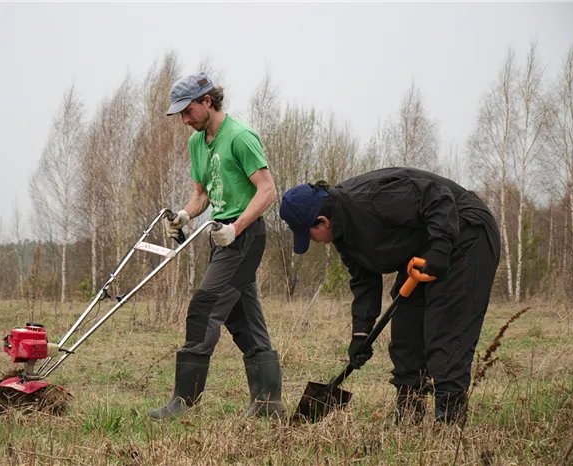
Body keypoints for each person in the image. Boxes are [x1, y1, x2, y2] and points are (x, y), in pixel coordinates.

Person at [278, 167, 501, 425]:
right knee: (406, 330)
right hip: (424, 248)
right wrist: (360, 334)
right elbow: (364, 280)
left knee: (445, 332)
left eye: (309, 234)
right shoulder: (343, 234)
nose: (312, 241)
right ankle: (409, 416)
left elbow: (437, 196)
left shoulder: (372, 199)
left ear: (323, 221)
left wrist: (441, 247)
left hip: (465, 231)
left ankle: (450, 422)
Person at [148, 72, 284, 420]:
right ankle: (268, 404)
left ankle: (184, 401)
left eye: (187, 110)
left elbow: (267, 190)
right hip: (221, 237)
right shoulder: (197, 142)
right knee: (243, 317)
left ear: (207, 101)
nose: (183, 119)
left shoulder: (240, 137)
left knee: (204, 306)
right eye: (179, 113)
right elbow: (202, 194)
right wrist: (183, 215)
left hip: (246, 236)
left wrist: (236, 228)